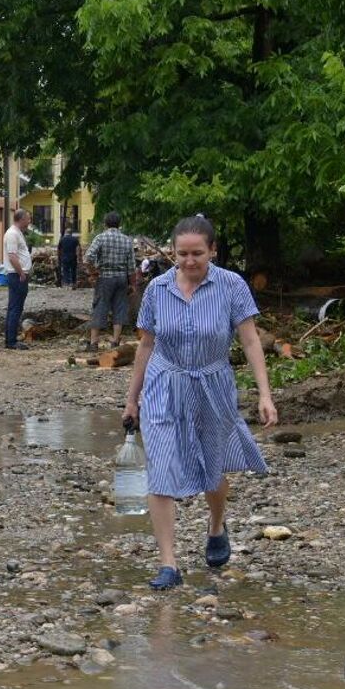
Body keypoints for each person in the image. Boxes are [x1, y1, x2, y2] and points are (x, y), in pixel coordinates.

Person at [122, 214, 277, 591]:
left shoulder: (231, 286)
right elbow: (146, 344)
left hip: (213, 384)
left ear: (213, 251)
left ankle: (216, 523)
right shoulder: (158, 290)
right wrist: (131, 399)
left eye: (197, 254)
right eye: (182, 254)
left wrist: (265, 394)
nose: (189, 262)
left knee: (213, 468)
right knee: (161, 468)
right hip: (164, 384)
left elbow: (251, 341)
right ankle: (168, 564)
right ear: (173, 253)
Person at [85, 212, 136, 351]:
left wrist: (93, 271)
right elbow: (131, 266)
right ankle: (115, 342)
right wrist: (132, 284)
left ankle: (94, 342)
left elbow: (88, 257)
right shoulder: (127, 240)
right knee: (119, 308)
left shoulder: (101, 238)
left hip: (105, 277)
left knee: (100, 307)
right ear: (119, 224)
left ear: (105, 224)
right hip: (121, 278)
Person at [2, 208, 32, 350]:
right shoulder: (13, 234)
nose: (29, 221)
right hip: (17, 275)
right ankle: (11, 341)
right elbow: (12, 256)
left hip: (18, 274)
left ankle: (10, 339)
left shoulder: (17, 233)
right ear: (21, 219)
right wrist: (21, 273)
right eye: (28, 218)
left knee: (15, 307)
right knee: (15, 308)